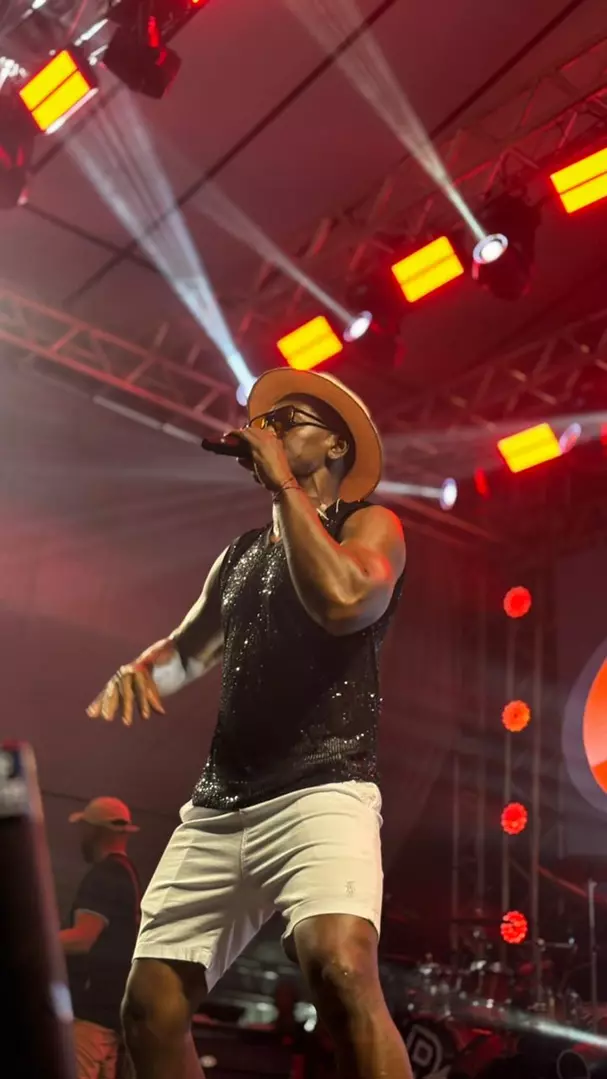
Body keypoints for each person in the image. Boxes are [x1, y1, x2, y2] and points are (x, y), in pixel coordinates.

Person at [87, 368, 412, 1080]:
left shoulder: (370, 525)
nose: (266, 430)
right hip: (220, 805)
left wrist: (283, 487)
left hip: (323, 789)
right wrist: (142, 669)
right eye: (264, 422)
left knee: (340, 970)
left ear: (334, 447)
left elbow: (343, 602)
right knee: (149, 1010)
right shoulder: (240, 555)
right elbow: (190, 647)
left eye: (287, 421)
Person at [61, 796, 141, 1080]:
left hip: (88, 1018)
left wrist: (34, 942)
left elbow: (82, 938)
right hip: (109, 1019)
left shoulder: (104, 875)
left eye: (84, 828)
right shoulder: (128, 874)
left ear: (95, 831)